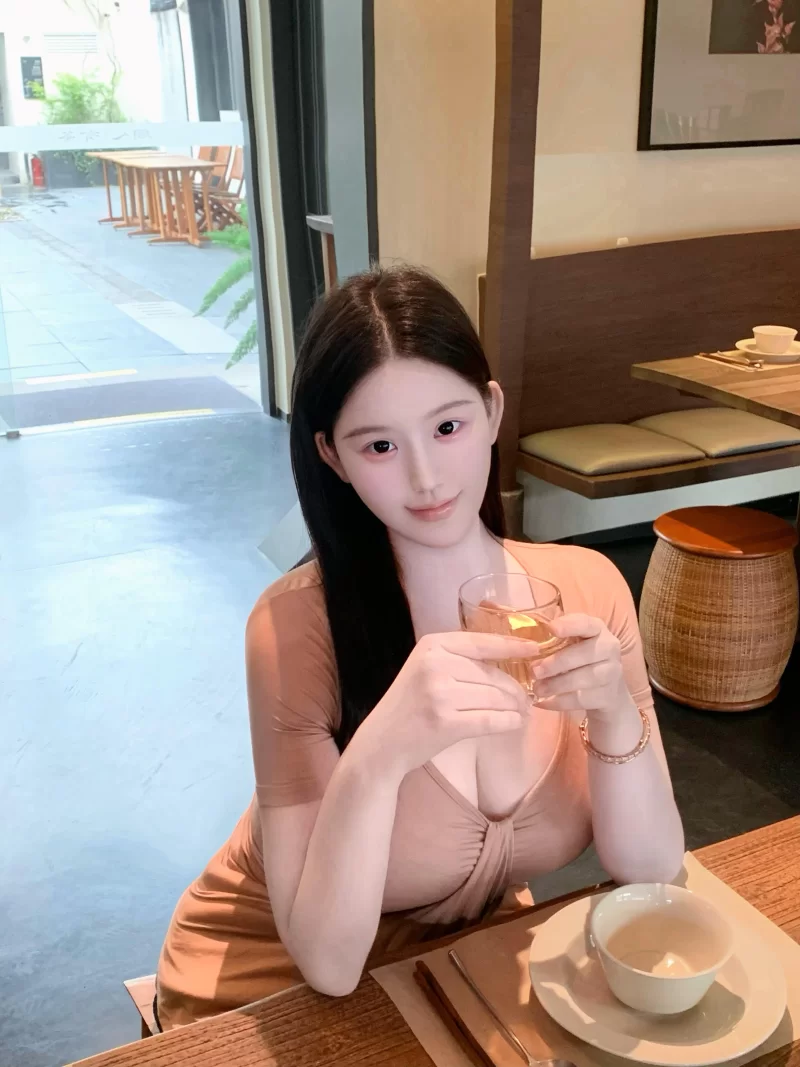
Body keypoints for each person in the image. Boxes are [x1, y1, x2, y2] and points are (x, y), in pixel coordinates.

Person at [155, 265, 684, 1029]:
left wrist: (614, 713)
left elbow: (654, 869)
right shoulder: (295, 628)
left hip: (457, 964)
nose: (427, 477)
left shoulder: (588, 590)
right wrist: (380, 752)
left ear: (491, 410)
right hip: (271, 983)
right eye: (379, 445)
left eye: (447, 427)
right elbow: (329, 964)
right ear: (332, 457)